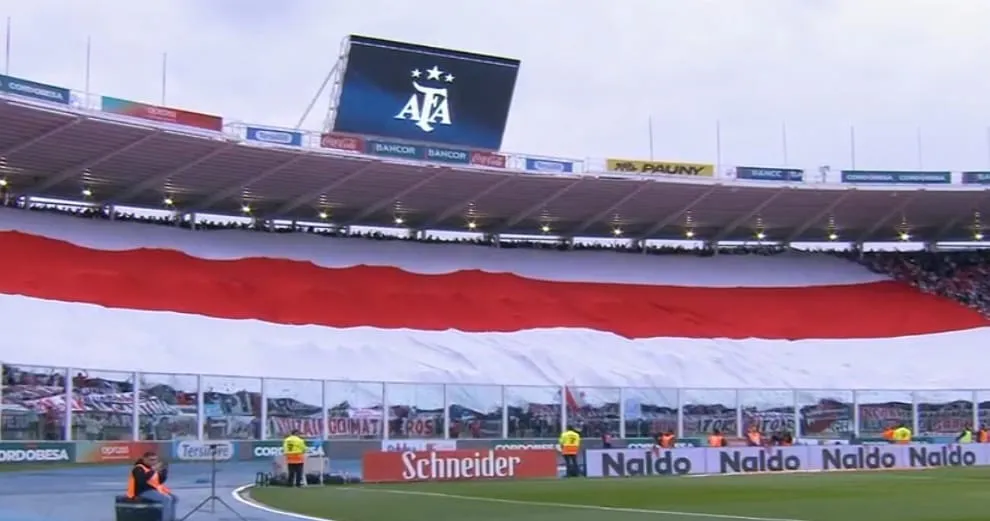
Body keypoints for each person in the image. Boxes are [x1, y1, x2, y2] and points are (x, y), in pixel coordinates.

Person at [127, 451, 177, 521]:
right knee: (167, 499)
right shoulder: (138, 468)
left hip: (153, 490)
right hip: (142, 491)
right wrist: (153, 470)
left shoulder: (151, 468)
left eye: (155, 460)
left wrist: (164, 472)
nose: (154, 462)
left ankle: (171, 518)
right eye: (151, 460)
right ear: (144, 459)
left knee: (174, 498)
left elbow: (159, 481)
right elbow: (142, 481)